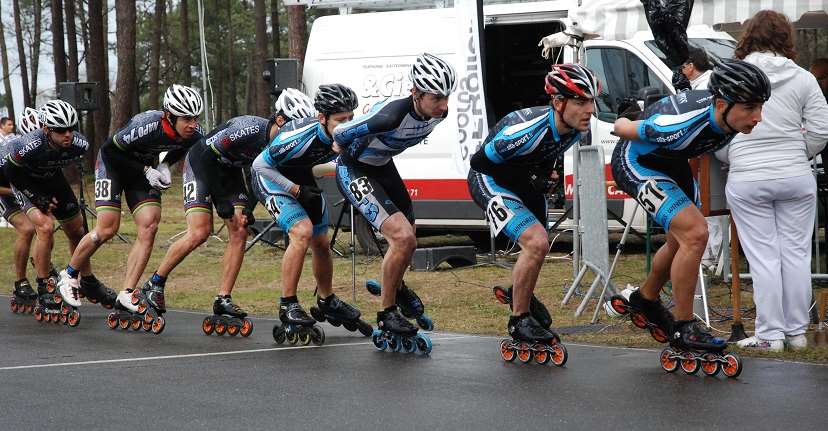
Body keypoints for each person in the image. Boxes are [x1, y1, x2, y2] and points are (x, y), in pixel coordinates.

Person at [610, 60, 770, 358]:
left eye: (761, 107)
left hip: (671, 162)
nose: (758, 117)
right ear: (722, 103)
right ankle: (684, 325)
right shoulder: (681, 124)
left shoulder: (727, 116)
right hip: (636, 161)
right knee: (695, 233)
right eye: (750, 108)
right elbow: (623, 128)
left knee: (680, 239)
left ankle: (645, 298)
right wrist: (628, 114)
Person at [467, 63, 599, 358]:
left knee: (538, 247)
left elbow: (542, 156)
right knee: (536, 241)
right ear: (558, 102)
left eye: (591, 101)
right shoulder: (524, 131)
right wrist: (527, 177)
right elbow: (480, 163)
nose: (589, 109)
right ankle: (519, 320)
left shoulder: (576, 128)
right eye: (580, 101)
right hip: (489, 179)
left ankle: (518, 294)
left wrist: (538, 174)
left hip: (520, 180)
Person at [715, 11, 828, 351]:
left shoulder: (730, 77)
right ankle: (796, 333)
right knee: (795, 254)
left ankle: (770, 334)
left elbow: (718, 129)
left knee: (763, 256)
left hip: (748, 176)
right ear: (785, 39)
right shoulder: (804, 78)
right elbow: (821, 131)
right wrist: (797, 152)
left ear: (747, 37)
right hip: (795, 174)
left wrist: (735, 156)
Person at [333, 53, 456, 351]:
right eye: (437, 97)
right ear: (415, 93)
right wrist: (339, 145)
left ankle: (397, 288)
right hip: (355, 168)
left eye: (447, 96)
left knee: (409, 239)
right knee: (402, 238)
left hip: (383, 166)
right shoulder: (390, 116)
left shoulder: (440, 113)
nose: (444, 105)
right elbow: (339, 133)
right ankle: (387, 313)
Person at [57, 85, 204, 331]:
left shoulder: (193, 132)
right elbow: (110, 151)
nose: (192, 124)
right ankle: (69, 274)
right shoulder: (147, 124)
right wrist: (147, 169)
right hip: (113, 165)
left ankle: (127, 292)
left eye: (195, 118)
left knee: (150, 225)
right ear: (169, 115)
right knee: (107, 229)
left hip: (141, 171)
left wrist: (166, 164)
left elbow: (183, 148)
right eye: (187, 118)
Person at [252, 83, 373, 343]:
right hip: (272, 179)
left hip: (302, 176)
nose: (347, 125)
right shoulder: (298, 136)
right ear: (322, 118)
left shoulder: (346, 133)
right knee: (302, 232)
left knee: (321, 241)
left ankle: (326, 298)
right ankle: (287, 303)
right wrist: (295, 190)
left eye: (350, 118)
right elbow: (259, 164)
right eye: (341, 120)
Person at [3, 100, 112, 324]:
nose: (68, 135)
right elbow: (13, 175)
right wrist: (35, 198)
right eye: (61, 130)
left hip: (50, 178)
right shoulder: (28, 145)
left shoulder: (80, 144)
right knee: (43, 227)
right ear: (46, 129)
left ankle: (86, 280)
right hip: (18, 182)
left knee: (77, 229)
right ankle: (43, 287)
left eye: (72, 128)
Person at [1, 108, 39, 312]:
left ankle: (44, 270)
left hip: (21, 188)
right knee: (27, 229)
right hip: (4, 191)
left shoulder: (38, 145)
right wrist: (17, 191)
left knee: (44, 225)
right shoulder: (7, 148)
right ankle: (20, 282)